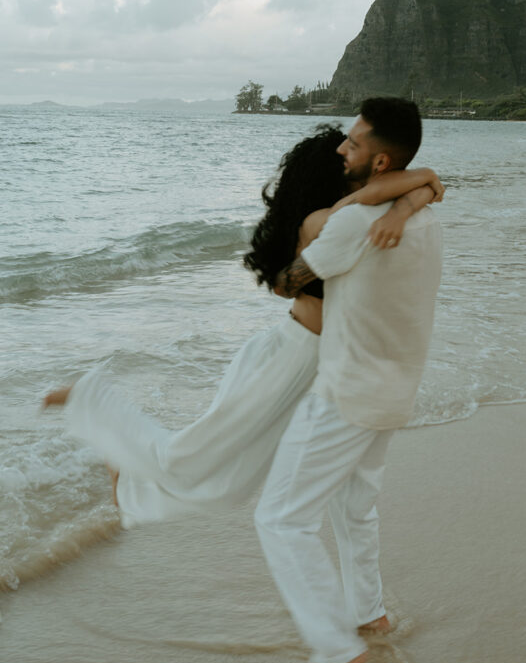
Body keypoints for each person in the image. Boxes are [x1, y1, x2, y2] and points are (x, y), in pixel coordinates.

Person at [43, 123, 443, 530]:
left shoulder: (356, 214)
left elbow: (419, 190)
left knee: (234, 480)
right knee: (195, 457)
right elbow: (407, 190)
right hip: (290, 356)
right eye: (345, 155)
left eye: (352, 150)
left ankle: (128, 475)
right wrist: (423, 181)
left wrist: (416, 192)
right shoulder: (329, 221)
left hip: (326, 363)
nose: (351, 157)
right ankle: (89, 400)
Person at [254, 98, 443, 663]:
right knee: (354, 508)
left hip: (346, 393)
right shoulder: (425, 216)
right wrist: (413, 192)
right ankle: (369, 614)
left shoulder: (352, 225)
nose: (342, 149)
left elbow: (290, 281)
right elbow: (428, 188)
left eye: (354, 144)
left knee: (280, 518)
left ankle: (336, 649)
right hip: (395, 392)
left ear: (380, 158)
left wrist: (310, 228)